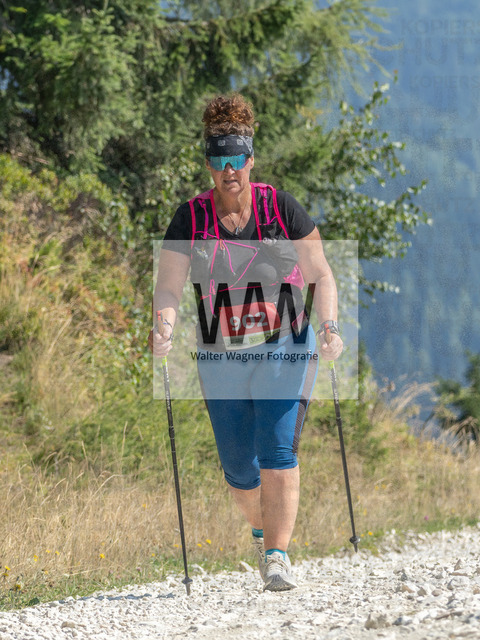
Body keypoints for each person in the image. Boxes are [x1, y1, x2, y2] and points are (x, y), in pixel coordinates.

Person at [148, 93, 343, 591]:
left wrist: (329, 327)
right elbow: (168, 287)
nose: (228, 170)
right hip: (221, 354)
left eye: (236, 158)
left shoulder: (281, 208)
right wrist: (163, 326)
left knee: (277, 450)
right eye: (218, 160)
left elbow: (321, 272)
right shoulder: (190, 219)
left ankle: (277, 556)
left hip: (285, 345)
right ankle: (262, 530)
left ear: (251, 159)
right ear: (208, 164)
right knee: (239, 469)